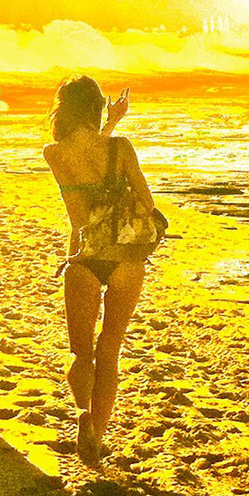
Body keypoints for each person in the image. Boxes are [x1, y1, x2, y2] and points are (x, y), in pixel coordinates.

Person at [43, 74, 158, 465]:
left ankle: (82, 412)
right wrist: (111, 126)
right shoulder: (121, 148)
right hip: (125, 259)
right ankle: (98, 432)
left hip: (84, 258)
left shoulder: (54, 153)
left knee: (81, 352)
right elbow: (146, 202)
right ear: (95, 107)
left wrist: (109, 124)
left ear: (63, 109)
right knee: (110, 350)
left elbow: (82, 205)